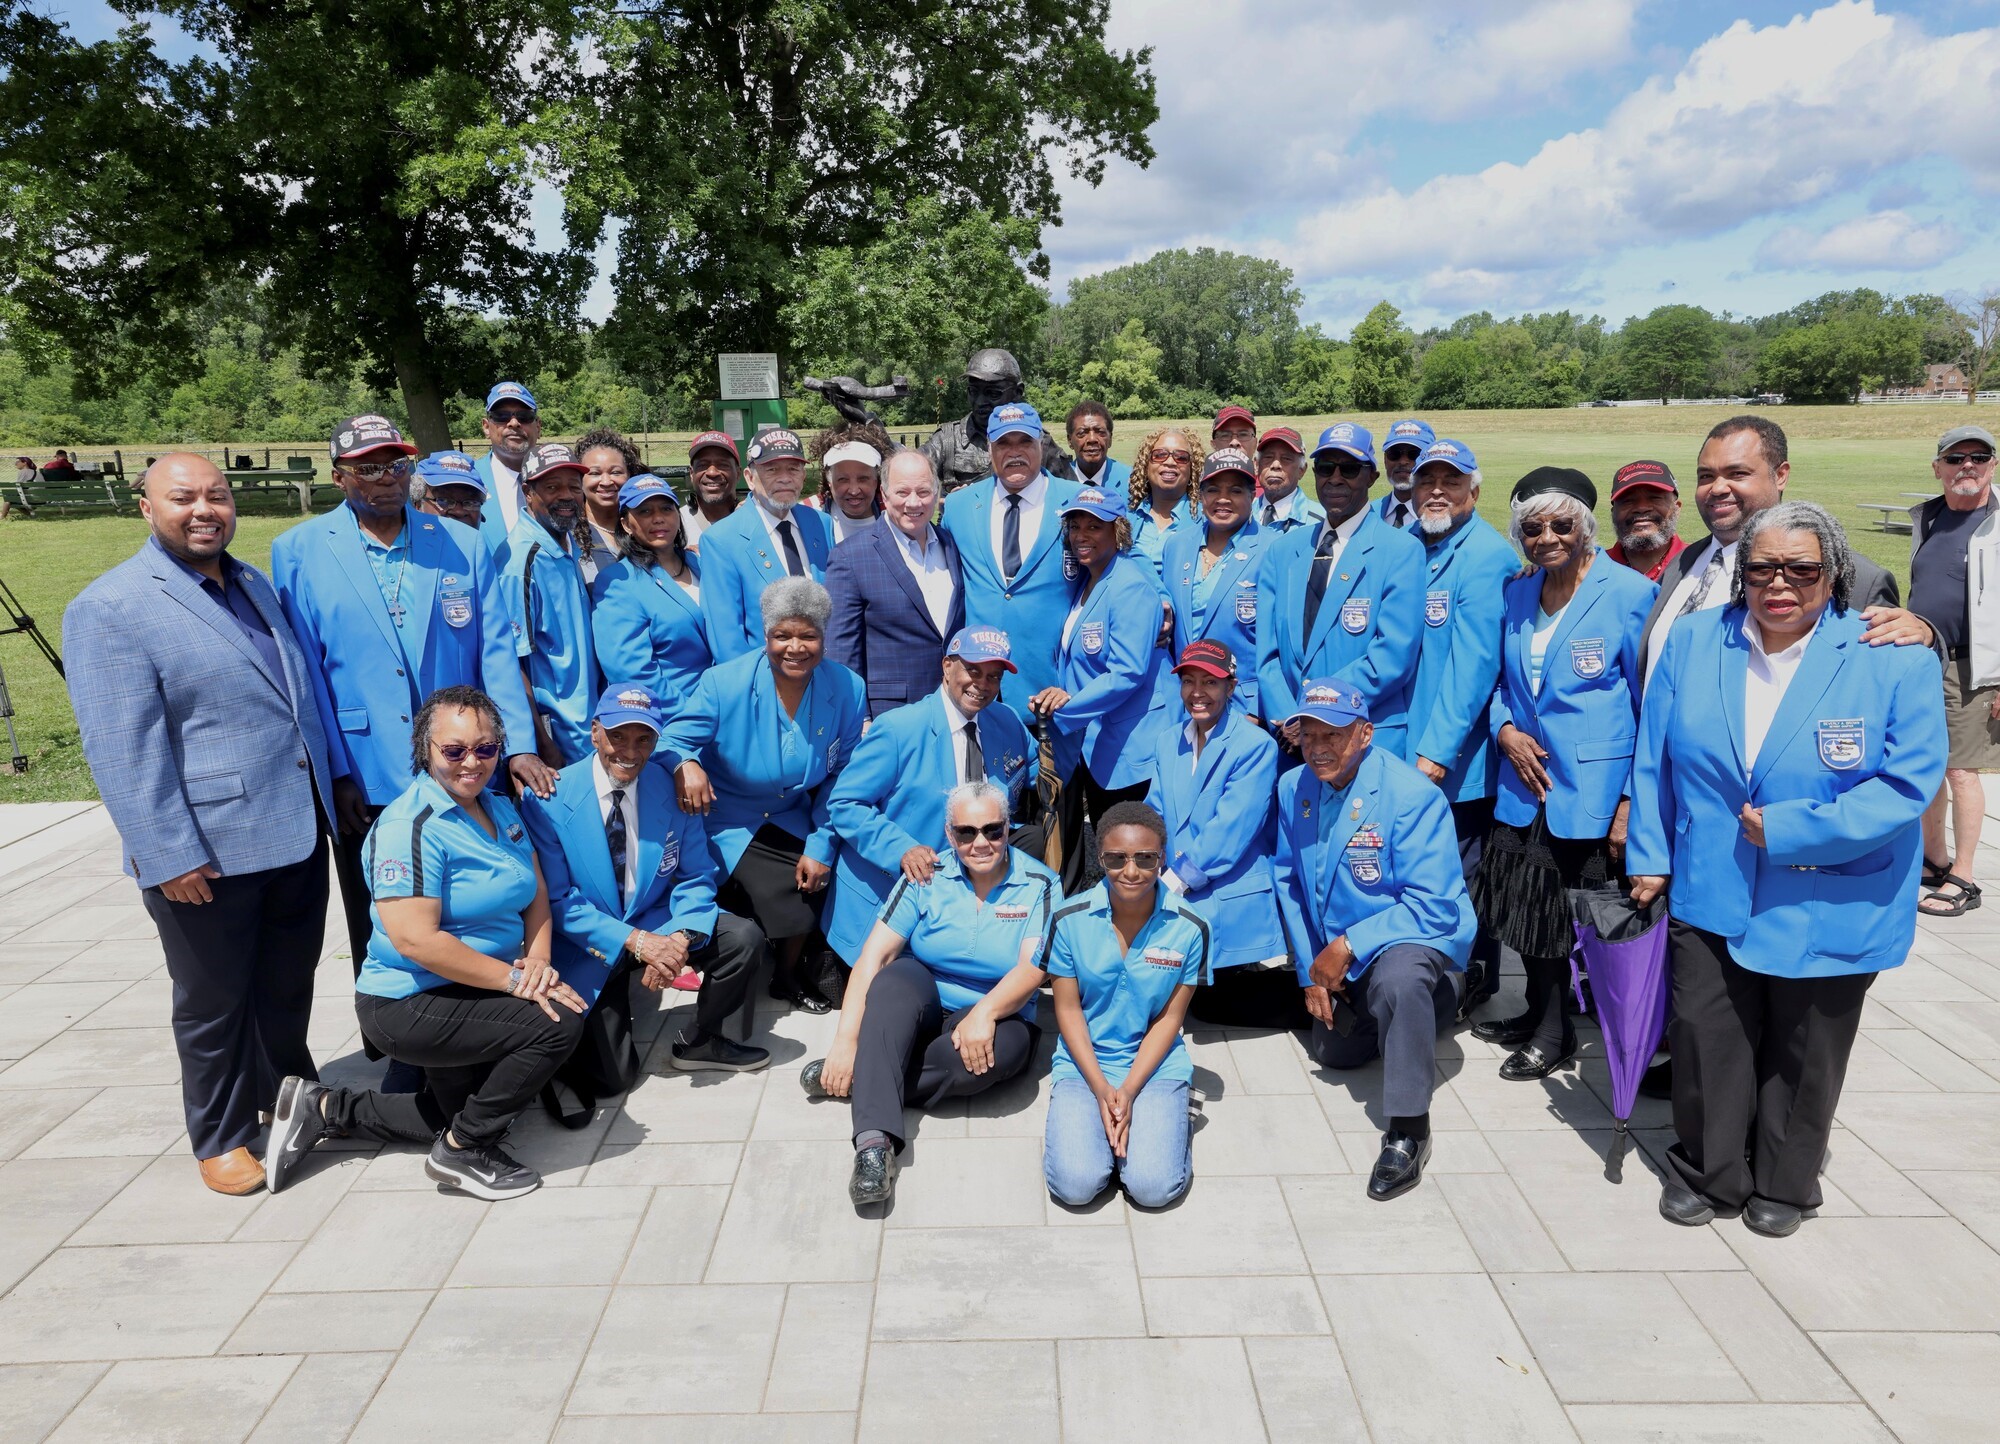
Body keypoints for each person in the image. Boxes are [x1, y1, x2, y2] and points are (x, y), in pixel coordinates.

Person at [1628, 501, 1946, 1237]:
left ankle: (1786, 1181)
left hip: (1831, 890)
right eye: (1763, 567)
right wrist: (1649, 853)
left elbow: (1908, 784)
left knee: (1804, 1052)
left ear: (1833, 576)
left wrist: (1795, 830)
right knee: (1708, 1036)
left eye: (1801, 569)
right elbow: (1656, 756)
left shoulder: (1891, 656)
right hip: (1713, 878)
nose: (1780, 583)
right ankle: (1709, 1171)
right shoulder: (1694, 641)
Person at [65, 454, 336, 1196]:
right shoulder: (112, 606)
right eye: (182, 497)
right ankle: (218, 1135)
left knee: (285, 985)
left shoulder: (252, 585)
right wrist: (165, 854)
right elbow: (122, 746)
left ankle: (287, 1097)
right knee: (214, 1002)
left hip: (294, 829)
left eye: (216, 495)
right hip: (205, 852)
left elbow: (291, 701)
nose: (204, 509)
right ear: (145, 507)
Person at [264, 687, 588, 1202]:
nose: (472, 763)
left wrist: (540, 962)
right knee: (558, 1022)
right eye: (454, 750)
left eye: (485, 749)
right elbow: (416, 941)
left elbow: (536, 897)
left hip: (476, 987)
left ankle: (320, 1107)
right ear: (426, 750)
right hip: (410, 1003)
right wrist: (518, 983)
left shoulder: (499, 808)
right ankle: (463, 1152)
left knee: (455, 1111)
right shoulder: (408, 827)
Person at [271, 415, 548, 1009]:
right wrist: (337, 771)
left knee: (474, 899)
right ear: (339, 475)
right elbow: (307, 674)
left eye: (397, 464)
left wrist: (518, 744)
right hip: (366, 770)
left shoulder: (461, 542)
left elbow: (496, 650)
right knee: (385, 913)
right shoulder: (297, 550)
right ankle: (397, 1035)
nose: (385, 479)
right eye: (367, 467)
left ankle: (482, 1020)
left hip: (463, 761)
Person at [1473, 469, 1656, 1078]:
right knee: (1527, 908)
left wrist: (1631, 801)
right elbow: (1500, 683)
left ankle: (1557, 1034)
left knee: (1565, 916)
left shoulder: (1628, 594)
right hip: (1524, 783)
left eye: (1561, 524)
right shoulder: (1516, 593)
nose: (1547, 536)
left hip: (1592, 791)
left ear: (1586, 527)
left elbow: (1647, 705)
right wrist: (1504, 730)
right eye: (1532, 527)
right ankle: (1531, 1011)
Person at [803, 779, 1058, 1207]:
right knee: (892, 983)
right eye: (966, 832)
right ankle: (873, 1145)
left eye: (993, 830)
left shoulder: (1040, 884)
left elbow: (1033, 970)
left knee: (1000, 1056)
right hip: (925, 994)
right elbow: (875, 957)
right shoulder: (926, 875)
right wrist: (845, 1042)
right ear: (949, 834)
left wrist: (985, 1012)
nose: (981, 842)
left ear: (1008, 827)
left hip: (998, 1009)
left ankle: (869, 1076)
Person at [1274, 680, 1474, 1201]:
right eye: (1307, 734)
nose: (1317, 746)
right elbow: (1288, 881)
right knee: (1335, 1054)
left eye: (1332, 735)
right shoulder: (1293, 787)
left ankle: (1410, 1129)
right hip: (1341, 949)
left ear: (1365, 734)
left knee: (1402, 982)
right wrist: (1309, 974)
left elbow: (1432, 905)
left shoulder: (1413, 797)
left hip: (1409, 932)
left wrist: (1345, 945)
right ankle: (1420, 1008)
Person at [521, 685, 770, 1074]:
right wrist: (637, 942)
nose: (630, 752)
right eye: (617, 736)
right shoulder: (549, 799)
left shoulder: (672, 788)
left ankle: (702, 1039)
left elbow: (695, 876)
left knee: (743, 939)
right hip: (587, 940)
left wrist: (680, 937)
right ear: (595, 732)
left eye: (644, 739)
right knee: (611, 1079)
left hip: (654, 918)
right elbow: (557, 900)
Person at [658, 578, 867, 1013]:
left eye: (808, 635)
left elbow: (841, 777)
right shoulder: (723, 683)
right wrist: (686, 763)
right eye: (782, 635)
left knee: (839, 869)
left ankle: (807, 963)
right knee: (789, 889)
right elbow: (672, 736)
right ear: (765, 635)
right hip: (729, 817)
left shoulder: (848, 687)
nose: (795, 647)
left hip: (796, 812)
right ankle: (787, 976)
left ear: (824, 637)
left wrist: (821, 842)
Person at [1639, 415, 1912, 682]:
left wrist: (1927, 634)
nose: (1718, 487)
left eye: (1737, 473)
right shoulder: (1683, 562)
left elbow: (1893, 669)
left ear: (1780, 475)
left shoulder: (1855, 578)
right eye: (1706, 476)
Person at [825, 625, 1037, 963]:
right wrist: (902, 848)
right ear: (947, 666)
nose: (982, 685)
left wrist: (1060, 725)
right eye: (973, 671)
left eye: (993, 677)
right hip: (896, 894)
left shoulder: (1005, 720)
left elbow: (1045, 773)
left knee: (1035, 841)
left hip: (961, 894)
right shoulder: (899, 728)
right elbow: (845, 803)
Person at [1042, 801, 1209, 1210]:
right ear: (1100, 858)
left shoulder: (1191, 927)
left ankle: (1162, 1120)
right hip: (1086, 1064)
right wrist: (1101, 1089)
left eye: (1145, 858)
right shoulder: (1068, 918)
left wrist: (1130, 1091)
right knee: (1076, 1187)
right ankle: (1093, 1133)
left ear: (1162, 858)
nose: (1131, 871)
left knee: (1152, 1190)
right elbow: (1067, 1011)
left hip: (1153, 1065)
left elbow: (1171, 1017)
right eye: (1116, 859)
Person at [1402, 440, 1519, 1011]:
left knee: (1460, 877)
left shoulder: (1485, 556)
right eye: (1428, 481)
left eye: (1451, 482)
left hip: (1453, 761)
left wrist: (1437, 751)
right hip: (1405, 747)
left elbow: (1473, 670)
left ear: (1475, 490)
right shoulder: (1411, 545)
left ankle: (1465, 986)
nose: (1437, 492)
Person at [1031, 486, 1169, 894]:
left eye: (1095, 526)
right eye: (1075, 526)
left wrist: (1068, 705)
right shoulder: (1088, 582)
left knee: (1132, 858)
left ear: (1119, 530)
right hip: (1096, 744)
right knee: (1112, 853)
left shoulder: (1129, 585)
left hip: (1129, 746)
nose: (1082, 535)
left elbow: (1127, 672)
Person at [1147, 640, 1292, 1027]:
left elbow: (1231, 830)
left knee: (1208, 1004)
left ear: (1231, 687)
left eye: (1210, 682)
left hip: (1223, 890)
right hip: (1175, 886)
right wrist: (1146, 867)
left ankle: (1334, 1005)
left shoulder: (1255, 746)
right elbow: (1154, 812)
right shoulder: (1167, 740)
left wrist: (1172, 881)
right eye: (1188, 681)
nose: (1197, 692)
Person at [1256, 422, 1425, 752]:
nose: (1335, 478)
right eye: (1326, 467)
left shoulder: (1400, 551)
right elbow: (1266, 655)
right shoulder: (1282, 551)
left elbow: (1391, 656)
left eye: (1349, 468)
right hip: (1288, 739)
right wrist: (1289, 717)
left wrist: (1315, 711)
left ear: (1372, 477)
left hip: (1361, 738)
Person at [939, 400, 1084, 712]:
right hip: (979, 694)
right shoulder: (958, 506)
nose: (1014, 452)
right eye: (1003, 443)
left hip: (1054, 694)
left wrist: (1160, 595)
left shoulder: (1076, 501)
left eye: (1025, 442)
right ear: (989, 449)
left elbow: (1125, 551)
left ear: (1041, 444)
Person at [1910, 424, 2000, 918]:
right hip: (1923, 661)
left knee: (1962, 771)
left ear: (1993, 464)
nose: (1967, 465)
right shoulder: (1929, 515)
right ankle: (1934, 859)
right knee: (1927, 766)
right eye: (1956, 457)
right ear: (1938, 467)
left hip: (1976, 666)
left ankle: (1964, 876)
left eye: (1979, 457)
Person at [825, 449, 965, 718]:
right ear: (884, 496)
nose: (914, 503)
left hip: (954, 706)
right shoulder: (850, 557)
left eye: (923, 492)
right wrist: (860, 719)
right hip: (889, 715)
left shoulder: (951, 545)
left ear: (936, 495)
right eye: (902, 492)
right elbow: (841, 654)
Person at [503, 442, 600, 767]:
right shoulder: (522, 560)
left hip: (588, 727)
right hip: (559, 740)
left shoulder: (566, 542)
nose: (567, 496)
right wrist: (540, 744)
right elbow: (511, 663)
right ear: (528, 492)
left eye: (574, 487)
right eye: (552, 487)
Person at [699, 428, 834, 660]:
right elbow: (726, 640)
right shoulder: (721, 540)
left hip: (825, 673)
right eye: (771, 469)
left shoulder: (821, 523)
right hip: (764, 681)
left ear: (803, 476)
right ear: (750, 478)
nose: (785, 478)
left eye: (793, 468)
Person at [1162, 448, 1269, 720]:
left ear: (1252, 495)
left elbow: (1280, 643)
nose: (1223, 499)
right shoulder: (1176, 545)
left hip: (1242, 707)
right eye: (1213, 490)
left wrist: (1258, 707)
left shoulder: (1274, 549)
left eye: (1235, 491)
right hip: (1182, 705)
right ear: (1200, 495)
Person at [589, 474, 710, 714]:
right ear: (625, 524)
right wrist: (696, 712)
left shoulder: (701, 563)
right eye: (644, 512)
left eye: (666, 508)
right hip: (674, 721)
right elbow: (632, 671)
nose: (658, 519)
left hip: (727, 710)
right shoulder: (618, 582)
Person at [922, 346, 1070, 492]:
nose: (980, 402)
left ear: (1018, 392)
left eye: (992, 394)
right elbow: (906, 477)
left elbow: (1072, 499)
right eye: (973, 392)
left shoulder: (1039, 442)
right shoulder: (946, 440)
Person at [473, 381, 542, 561]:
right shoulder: (469, 481)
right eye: (501, 416)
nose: (513, 423)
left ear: (538, 427)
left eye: (524, 416)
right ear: (486, 427)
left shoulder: (562, 480)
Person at [1125, 425, 1203, 584]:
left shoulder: (1205, 521)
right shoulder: (1126, 516)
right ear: (1145, 466)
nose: (1170, 462)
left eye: (1181, 457)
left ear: (1192, 469)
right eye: (1160, 455)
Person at [575, 425, 644, 585]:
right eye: (594, 473)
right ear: (579, 479)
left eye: (616, 472)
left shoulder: (644, 528)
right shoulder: (568, 537)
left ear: (630, 476)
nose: (606, 482)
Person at [809, 421, 890, 545]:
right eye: (843, 479)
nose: (854, 490)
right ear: (829, 481)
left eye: (863, 479)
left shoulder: (895, 515)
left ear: (876, 481)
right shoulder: (809, 514)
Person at [1606, 459, 1685, 581]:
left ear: (1677, 509)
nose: (1642, 508)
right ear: (1613, 513)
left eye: (1655, 498)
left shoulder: (1697, 563)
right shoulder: (1595, 567)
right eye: (1628, 500)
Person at [681, 430, 743, 551]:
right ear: (691, 473)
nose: (712, 472)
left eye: (723, 465)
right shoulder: (675, 525)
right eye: (703, 465)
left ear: (738, 473)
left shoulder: (754, 521)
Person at [1255, 427, 1324, 534]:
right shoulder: (1241, 515)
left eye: (1286, 458)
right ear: (1256, 465)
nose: (1275, 465)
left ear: (1302, 470)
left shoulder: (1321, 522)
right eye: (1268, 457)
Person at [1376, 418, 1435, 529]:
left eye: (1414, 454)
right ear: (1385, 460)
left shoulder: (1443, 517)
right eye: (1394, 454)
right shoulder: (1370, 513)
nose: (1403, 461)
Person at [412, 450, 489, 534]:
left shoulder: (482, 546)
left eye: (471, 502)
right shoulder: (400, 545)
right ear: (418, 505)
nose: (459, 512)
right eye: (444, 500)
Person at [1067, 401, 1130, 491]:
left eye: (1100, 432)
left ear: (1110, 439)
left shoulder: (1132, 481)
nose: (1092, 439)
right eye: (1082, 433)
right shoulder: (1056, 483)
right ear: (1070, 441)